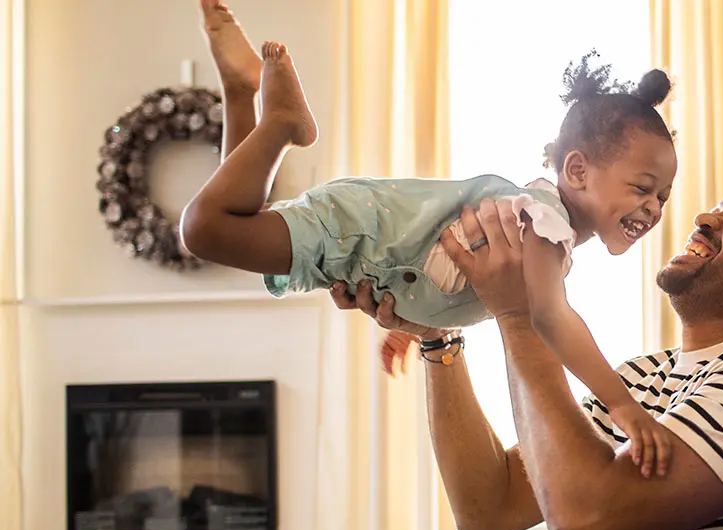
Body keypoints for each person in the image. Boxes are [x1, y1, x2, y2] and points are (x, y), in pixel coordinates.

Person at [184, 0, 680, 475]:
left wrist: (416, 323)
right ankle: (282, 123)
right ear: (577, 170)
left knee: (239, 221)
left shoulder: (538, 219)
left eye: (663, 196)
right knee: (205, 229)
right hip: (358, 232)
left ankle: (240, 91)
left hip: (360, 240)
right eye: (642, 188)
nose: (654, 208)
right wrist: (623, 407)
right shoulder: (545, 224)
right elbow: (551, 318)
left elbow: (442, 258)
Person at [337, 162, 723, 530]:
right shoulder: (643, 379)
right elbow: (487, 508)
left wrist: (520, 312)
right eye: (718, 206)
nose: (705, 217)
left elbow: (581, 524)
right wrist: (440, 339)